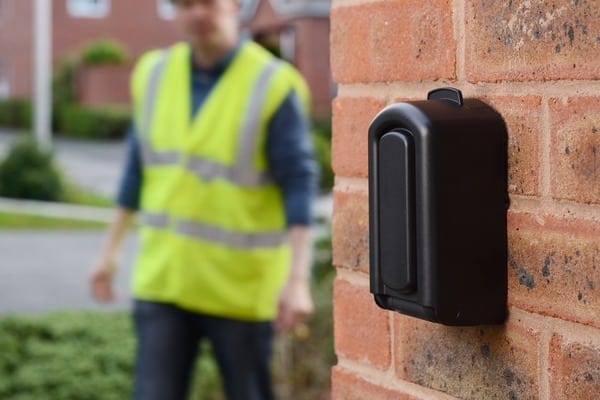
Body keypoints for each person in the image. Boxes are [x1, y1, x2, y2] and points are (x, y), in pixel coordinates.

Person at [88, 0, 318, 398]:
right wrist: (108, 253)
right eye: (184, 3)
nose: (196, 13)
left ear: (234, 5)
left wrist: (297, 280)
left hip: (240, 290)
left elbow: (298, 185)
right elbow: (135, 173)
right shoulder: (153, 74)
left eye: (207, 2)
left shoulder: (271, 83)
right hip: (164, 281)